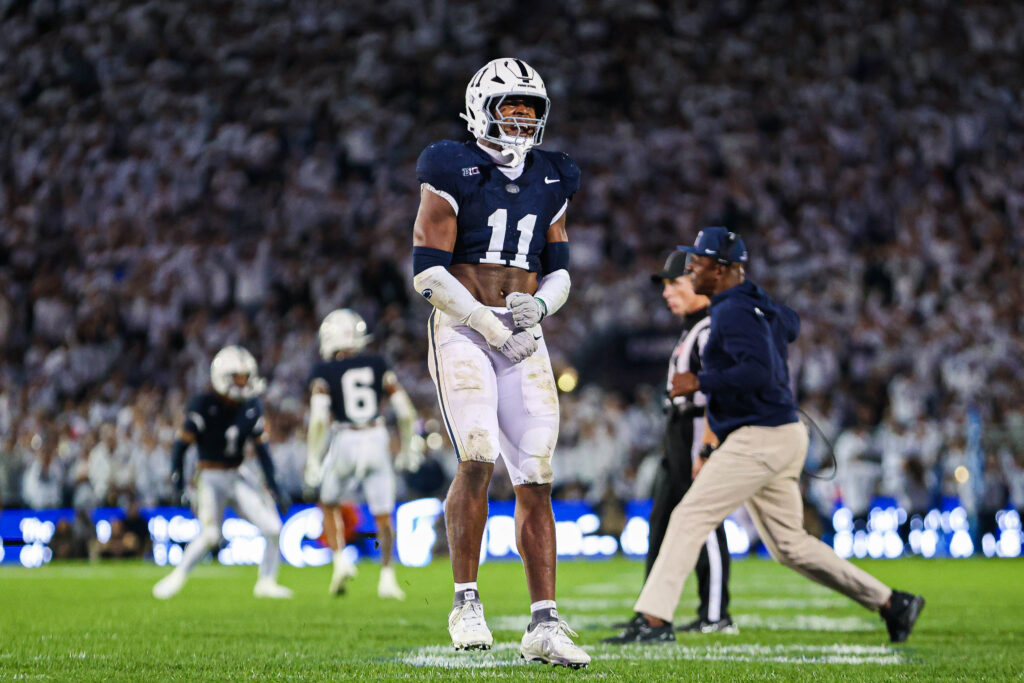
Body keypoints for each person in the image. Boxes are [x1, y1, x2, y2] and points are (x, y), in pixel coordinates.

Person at [606, 228, 925, 644]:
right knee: (790, 546)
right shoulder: (750, 304)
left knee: (690, 515)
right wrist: (752, 298)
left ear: (721, 270)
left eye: (698, 262)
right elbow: (789, 324)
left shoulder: (731, 311)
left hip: (760, 435)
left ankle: (654, 620)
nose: (691, 269)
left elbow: (757, 372)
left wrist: (700, 379)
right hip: (777, 434)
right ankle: (891, 602)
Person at [411, 58, 589, 668]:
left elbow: (561, 268)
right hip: (464, 328)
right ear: (481, 105)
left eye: (531, 108)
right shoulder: (447, 164)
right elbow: (427, 273)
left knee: (536, 471)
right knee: (479, 450)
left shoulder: (555, 174)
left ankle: (544, 622)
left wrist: (538, 308)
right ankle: (466, 601)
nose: (522, 117)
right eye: (511, 105)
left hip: (523, 330)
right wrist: (488, 322)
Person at [641, 249, 734, 634]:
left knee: (702, 521)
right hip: (679, 430)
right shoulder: (693, 329)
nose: (667, 292)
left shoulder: (710, 328)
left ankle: (716, 615)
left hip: (697, 429)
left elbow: (719, 394)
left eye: (675, 283)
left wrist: (707, 445)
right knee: (662, 521)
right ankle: (649, 614)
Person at [152, 346, 293, 600]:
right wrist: (178, 483)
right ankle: (177, 576)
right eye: (239, 378)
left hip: (237, 473)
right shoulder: (204, 404)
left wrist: (275, 485)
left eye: (246, 378)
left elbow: (262, 452)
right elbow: (180, 446)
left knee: (273, 527)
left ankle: (267, 582)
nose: (245, 383)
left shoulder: (251, 406)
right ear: (223, 377)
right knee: (210, 535)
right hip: (210, 477)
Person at [304, 308, 423, 600]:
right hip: (376, 436)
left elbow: (319, 419)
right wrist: (409, 447)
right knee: (383, 515)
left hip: (344, 437)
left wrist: (312, 458)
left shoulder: (324, 371)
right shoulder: (377, 363)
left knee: (329, 502)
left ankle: (339, 561)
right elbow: (406, 412)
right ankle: (387, 578)